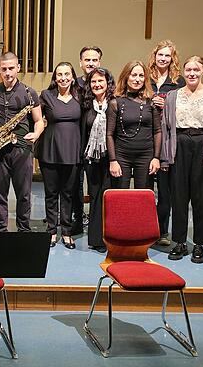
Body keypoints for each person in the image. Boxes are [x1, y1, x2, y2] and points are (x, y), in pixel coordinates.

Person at [161, 56, 203, 263]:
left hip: (202, 145)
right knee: (178, 197)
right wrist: (165, 158)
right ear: (183, 71)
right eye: (188, 69)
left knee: (201, 198)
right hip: (178, 146)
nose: (191, 73)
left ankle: (199, 243)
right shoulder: (173, 96)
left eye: (196, 70)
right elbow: (165, 128)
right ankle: (179, 241)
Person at [0, 52, 43, 232]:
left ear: (18, 68)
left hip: (22, 148)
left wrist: (36, 133)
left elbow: (39, 120)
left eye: (11, 68)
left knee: (23, 194)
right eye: (4, 69)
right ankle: (0, 229)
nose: (8, 73)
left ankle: (23, 229)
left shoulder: (29, 92)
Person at [36, 62, 82, 249]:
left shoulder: (80, 96)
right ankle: (51, 231)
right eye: (59, 74)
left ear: (72, 77)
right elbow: (34, 115)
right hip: (50, 150)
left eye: (67, 74)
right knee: (51, 193)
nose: (63, 78)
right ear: (55, 78)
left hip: (72, 150)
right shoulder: (46, 96)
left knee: (68, 193)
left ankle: (67, 231)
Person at [147, 40, 186, 246]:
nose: (163, 59)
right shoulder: (145, 78)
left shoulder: (178, 81)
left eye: (167, 56)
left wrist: (167, 104)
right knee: (145, 189)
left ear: (173, 58)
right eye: (160, 55)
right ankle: (143, 228)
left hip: (168, 139)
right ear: (154, 56)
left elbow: (187, 108)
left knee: (165, 190)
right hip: (146, 137)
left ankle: (162, 231)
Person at [106, 61, 161, 189]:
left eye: (141, 76)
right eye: (133, 75)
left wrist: (156, 158)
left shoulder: (151, 102)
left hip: (146, 156)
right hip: (121, 156)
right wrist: (113, 160)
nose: (137, 79)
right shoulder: (115, 102)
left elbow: (157, 131)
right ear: (126, 77)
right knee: (120, 197)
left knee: (143, 198)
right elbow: (109, 134)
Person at [81, 67, 115, 253]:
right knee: (94, 196)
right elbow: (82, 132)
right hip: (92, 159)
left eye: (100, 81)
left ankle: (110, 237)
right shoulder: (87, 106)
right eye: (93, 81)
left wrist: (115, 159)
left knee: (108, 197)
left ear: (107, 83)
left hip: (111, 159)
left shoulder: (115, 104)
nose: (97, 84)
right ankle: (96, 239)